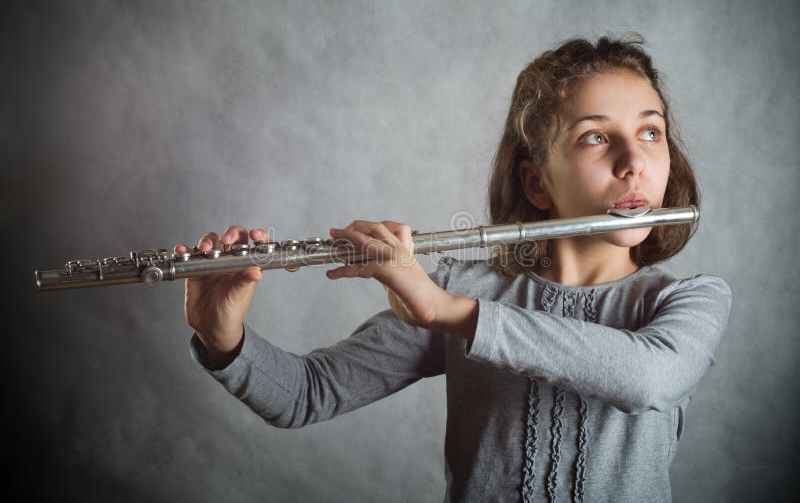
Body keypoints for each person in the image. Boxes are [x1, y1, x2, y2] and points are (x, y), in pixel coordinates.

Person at [174, 36, 732, 502]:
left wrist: (448, 311)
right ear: (536, 182)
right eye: (595, 137)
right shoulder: (463, 288)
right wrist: (224, 338)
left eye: (650, 132)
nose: (633, 162)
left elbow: (650, 379)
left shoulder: (690, 301)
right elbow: (306, 394)